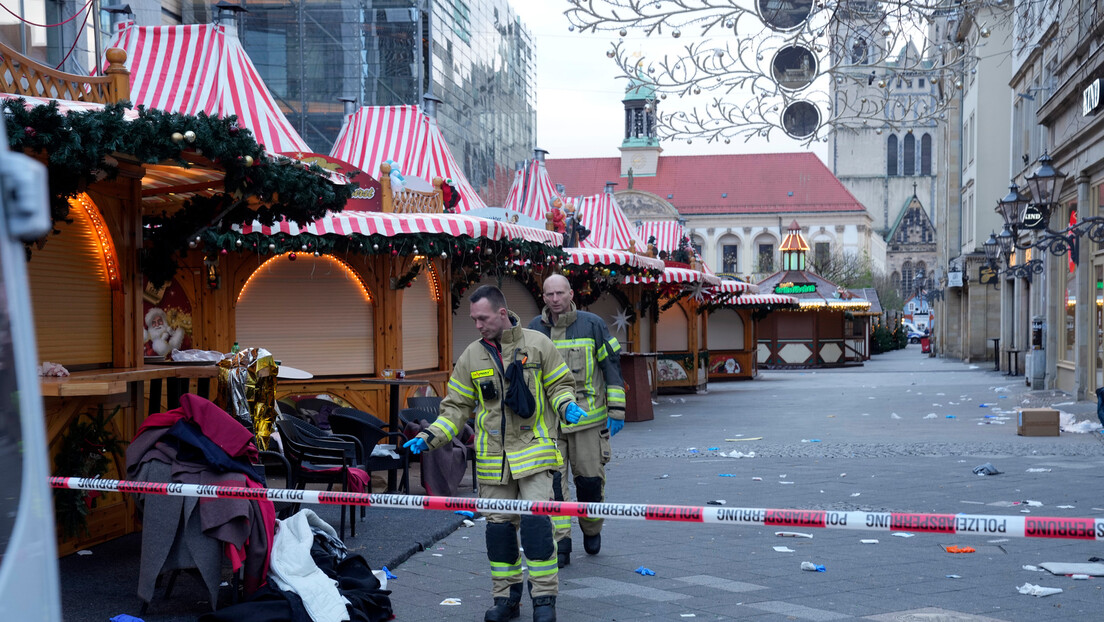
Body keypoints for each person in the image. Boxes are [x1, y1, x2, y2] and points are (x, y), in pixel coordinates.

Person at [404, 285, 583, 622]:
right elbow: (456, 408)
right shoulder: (472, 356)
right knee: (499, 533)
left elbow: (560, 385)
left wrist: (566, 405)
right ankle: (507, 600)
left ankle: (544, 600)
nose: (478, 325)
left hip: (534, 457)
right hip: (494, 463)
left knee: (537, 528)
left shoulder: (538, 345)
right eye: (473, 319)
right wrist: (430, 437)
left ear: (502, 313)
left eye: (482, 318)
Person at [527, 274, 625, 568]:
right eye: (549, 294)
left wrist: (617, 410)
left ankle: (592, 528)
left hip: (588, 424)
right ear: (543, 297)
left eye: (560, 293)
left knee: (590, 483)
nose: (555, 299)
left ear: (571, 294)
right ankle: (562, 543)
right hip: (550, 424)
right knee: (554, 486)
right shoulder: (534, 329)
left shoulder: (592, 324)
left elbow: (611, 367)